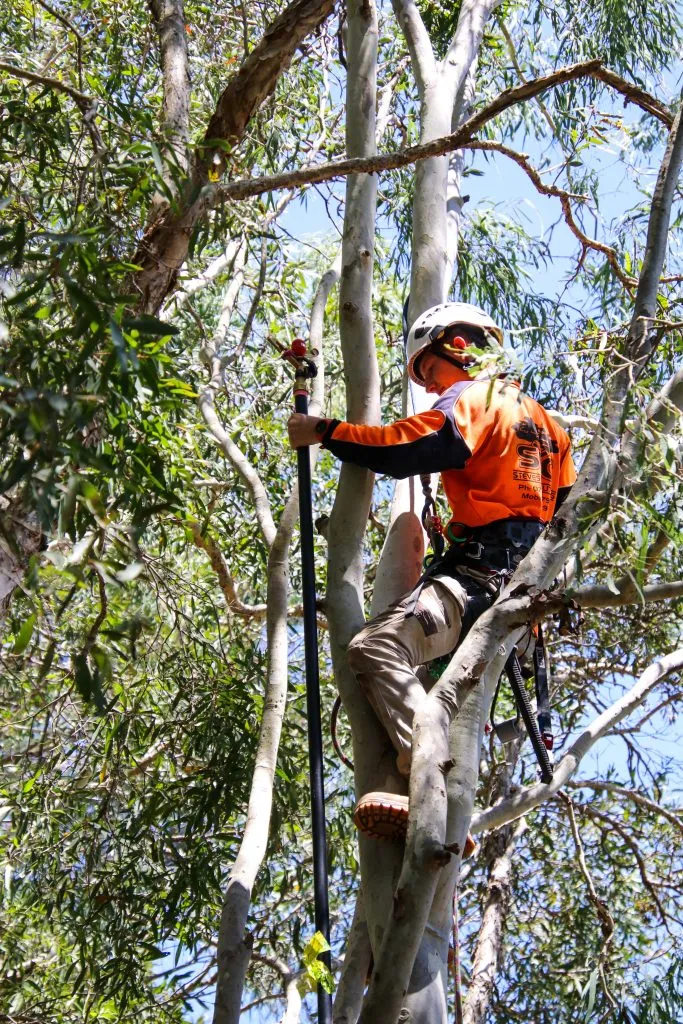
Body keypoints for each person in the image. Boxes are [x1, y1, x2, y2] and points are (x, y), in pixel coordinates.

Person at [287, 302, 576, 847]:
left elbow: (409, 446)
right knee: (434, 680)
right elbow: (561, 513)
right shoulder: (551, 427)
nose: (430, 386)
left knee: (376, 648)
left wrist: (323, 431)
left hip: (481, 574)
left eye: (430, 372)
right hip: (523, 582)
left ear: (457, 347)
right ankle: (433, 783)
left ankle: (431, 781)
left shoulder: (477, 397)